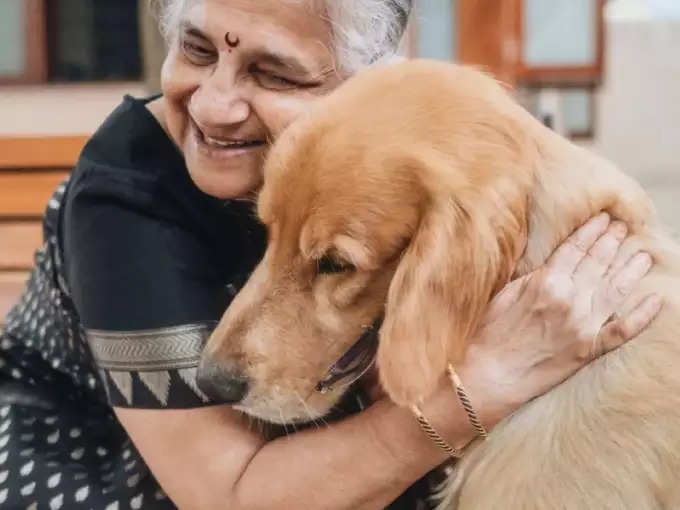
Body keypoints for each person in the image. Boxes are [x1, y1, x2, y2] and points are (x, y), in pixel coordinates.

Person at [0, 1, 662, 509]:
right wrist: (480, 390)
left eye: (272, 71)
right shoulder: (128, 192)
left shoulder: (409, 149)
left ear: (367, 80)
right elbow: (228, 498)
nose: (215, 103)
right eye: (196, 49)